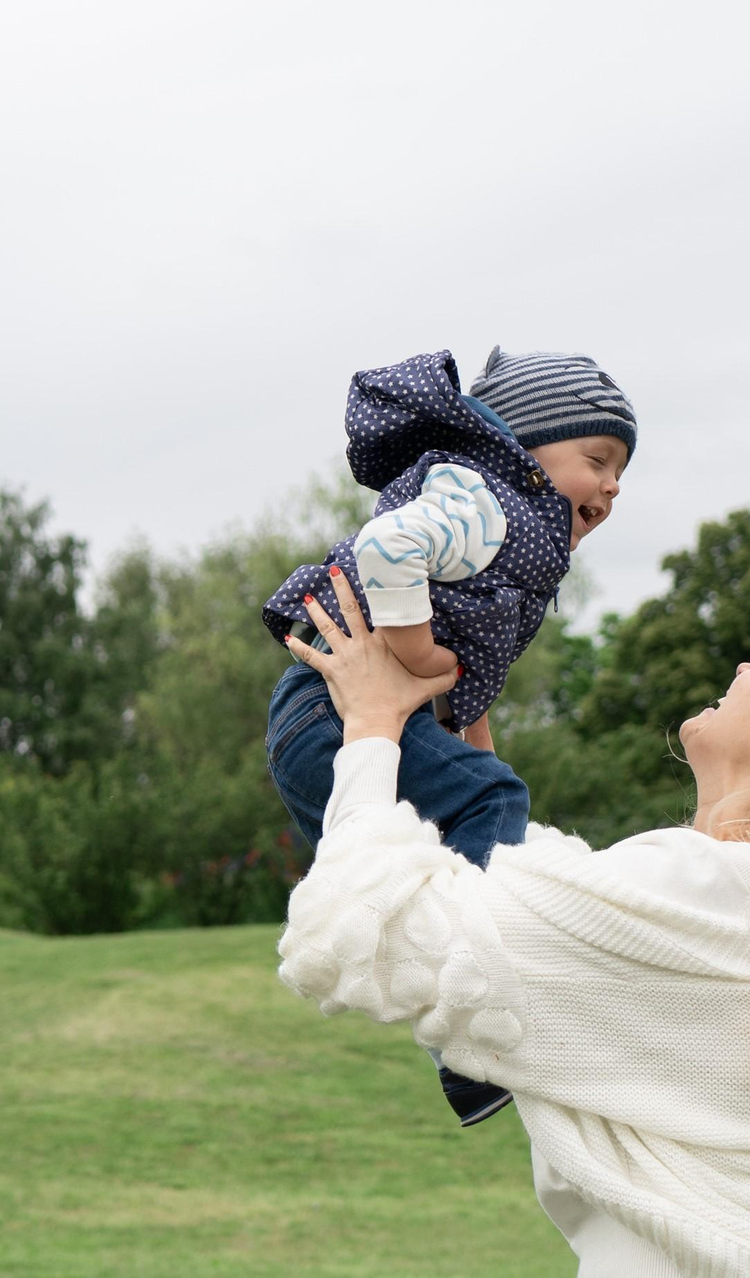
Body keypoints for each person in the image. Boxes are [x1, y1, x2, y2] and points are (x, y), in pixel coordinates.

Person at [274, 581, 750, 1278]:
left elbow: (355, 934)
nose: (745, 669)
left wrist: (368, 730)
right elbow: (572, 901)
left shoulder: (699, 889)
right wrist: (472, 776)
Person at [261, 346, 635, 1123]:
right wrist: (420, 652)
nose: (609, 486)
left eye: (620, 476)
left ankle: (462, 1052)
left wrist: (464, 714)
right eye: (596, 458)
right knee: (494, 800)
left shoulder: (514, 524)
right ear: (523, 444)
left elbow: (462, 690)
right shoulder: (487, 500)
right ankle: (481, 1027)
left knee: (413, 879)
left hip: (326, 724)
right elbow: (386, 547)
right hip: (334, 707)